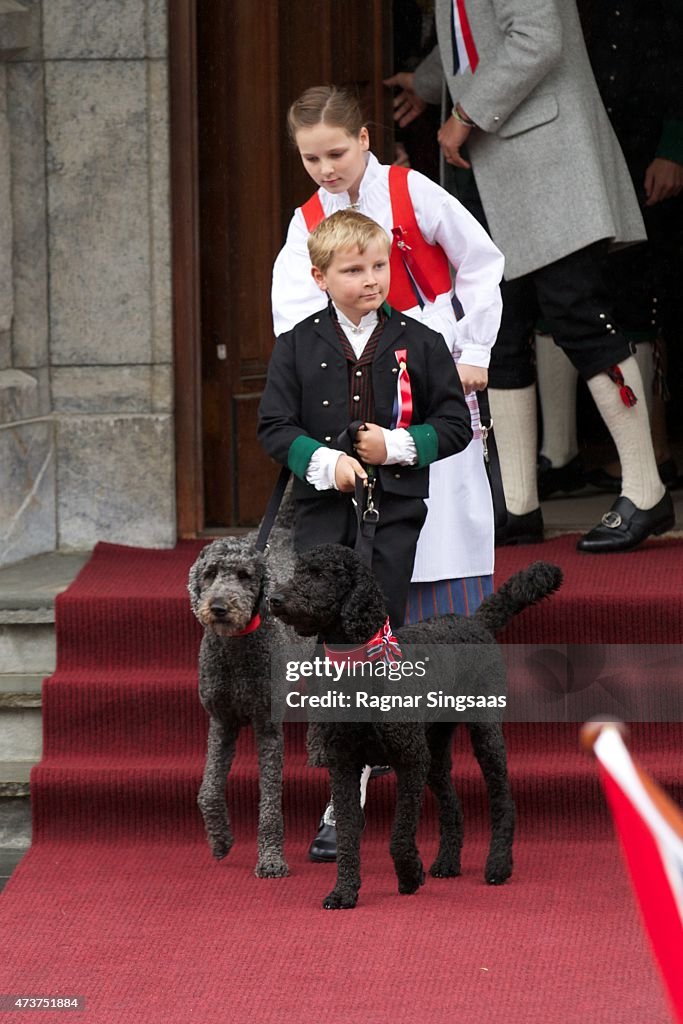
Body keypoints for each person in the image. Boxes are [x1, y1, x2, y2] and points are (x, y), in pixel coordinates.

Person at [270, 84, 505, 859]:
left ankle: (444, 781)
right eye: (310, 158)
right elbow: (294, 341)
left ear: (365, 138)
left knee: (438, 591)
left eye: (336, 152)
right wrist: (327, 448)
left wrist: (470, 352)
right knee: (358, 627)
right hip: (349, 440)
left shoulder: (411, 189)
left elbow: (481, 260)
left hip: (428, 389)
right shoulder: (306, 228)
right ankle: (352, 792)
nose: (325, 168)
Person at [386, 0, 676, 552]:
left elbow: (537, 38)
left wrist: (463, 116)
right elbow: (470, 40)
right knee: (500, 328)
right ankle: (517, 504)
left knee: (578, 315)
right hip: (495, 169)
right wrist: (424, 83)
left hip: (548, 164)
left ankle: (645, 490)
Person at [537, 0, 683, 499]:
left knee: (638, 294)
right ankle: (563, 455)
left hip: (649, 151)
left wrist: (673, 147)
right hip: (583, 147)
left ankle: (648, 460)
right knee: (567, 285)